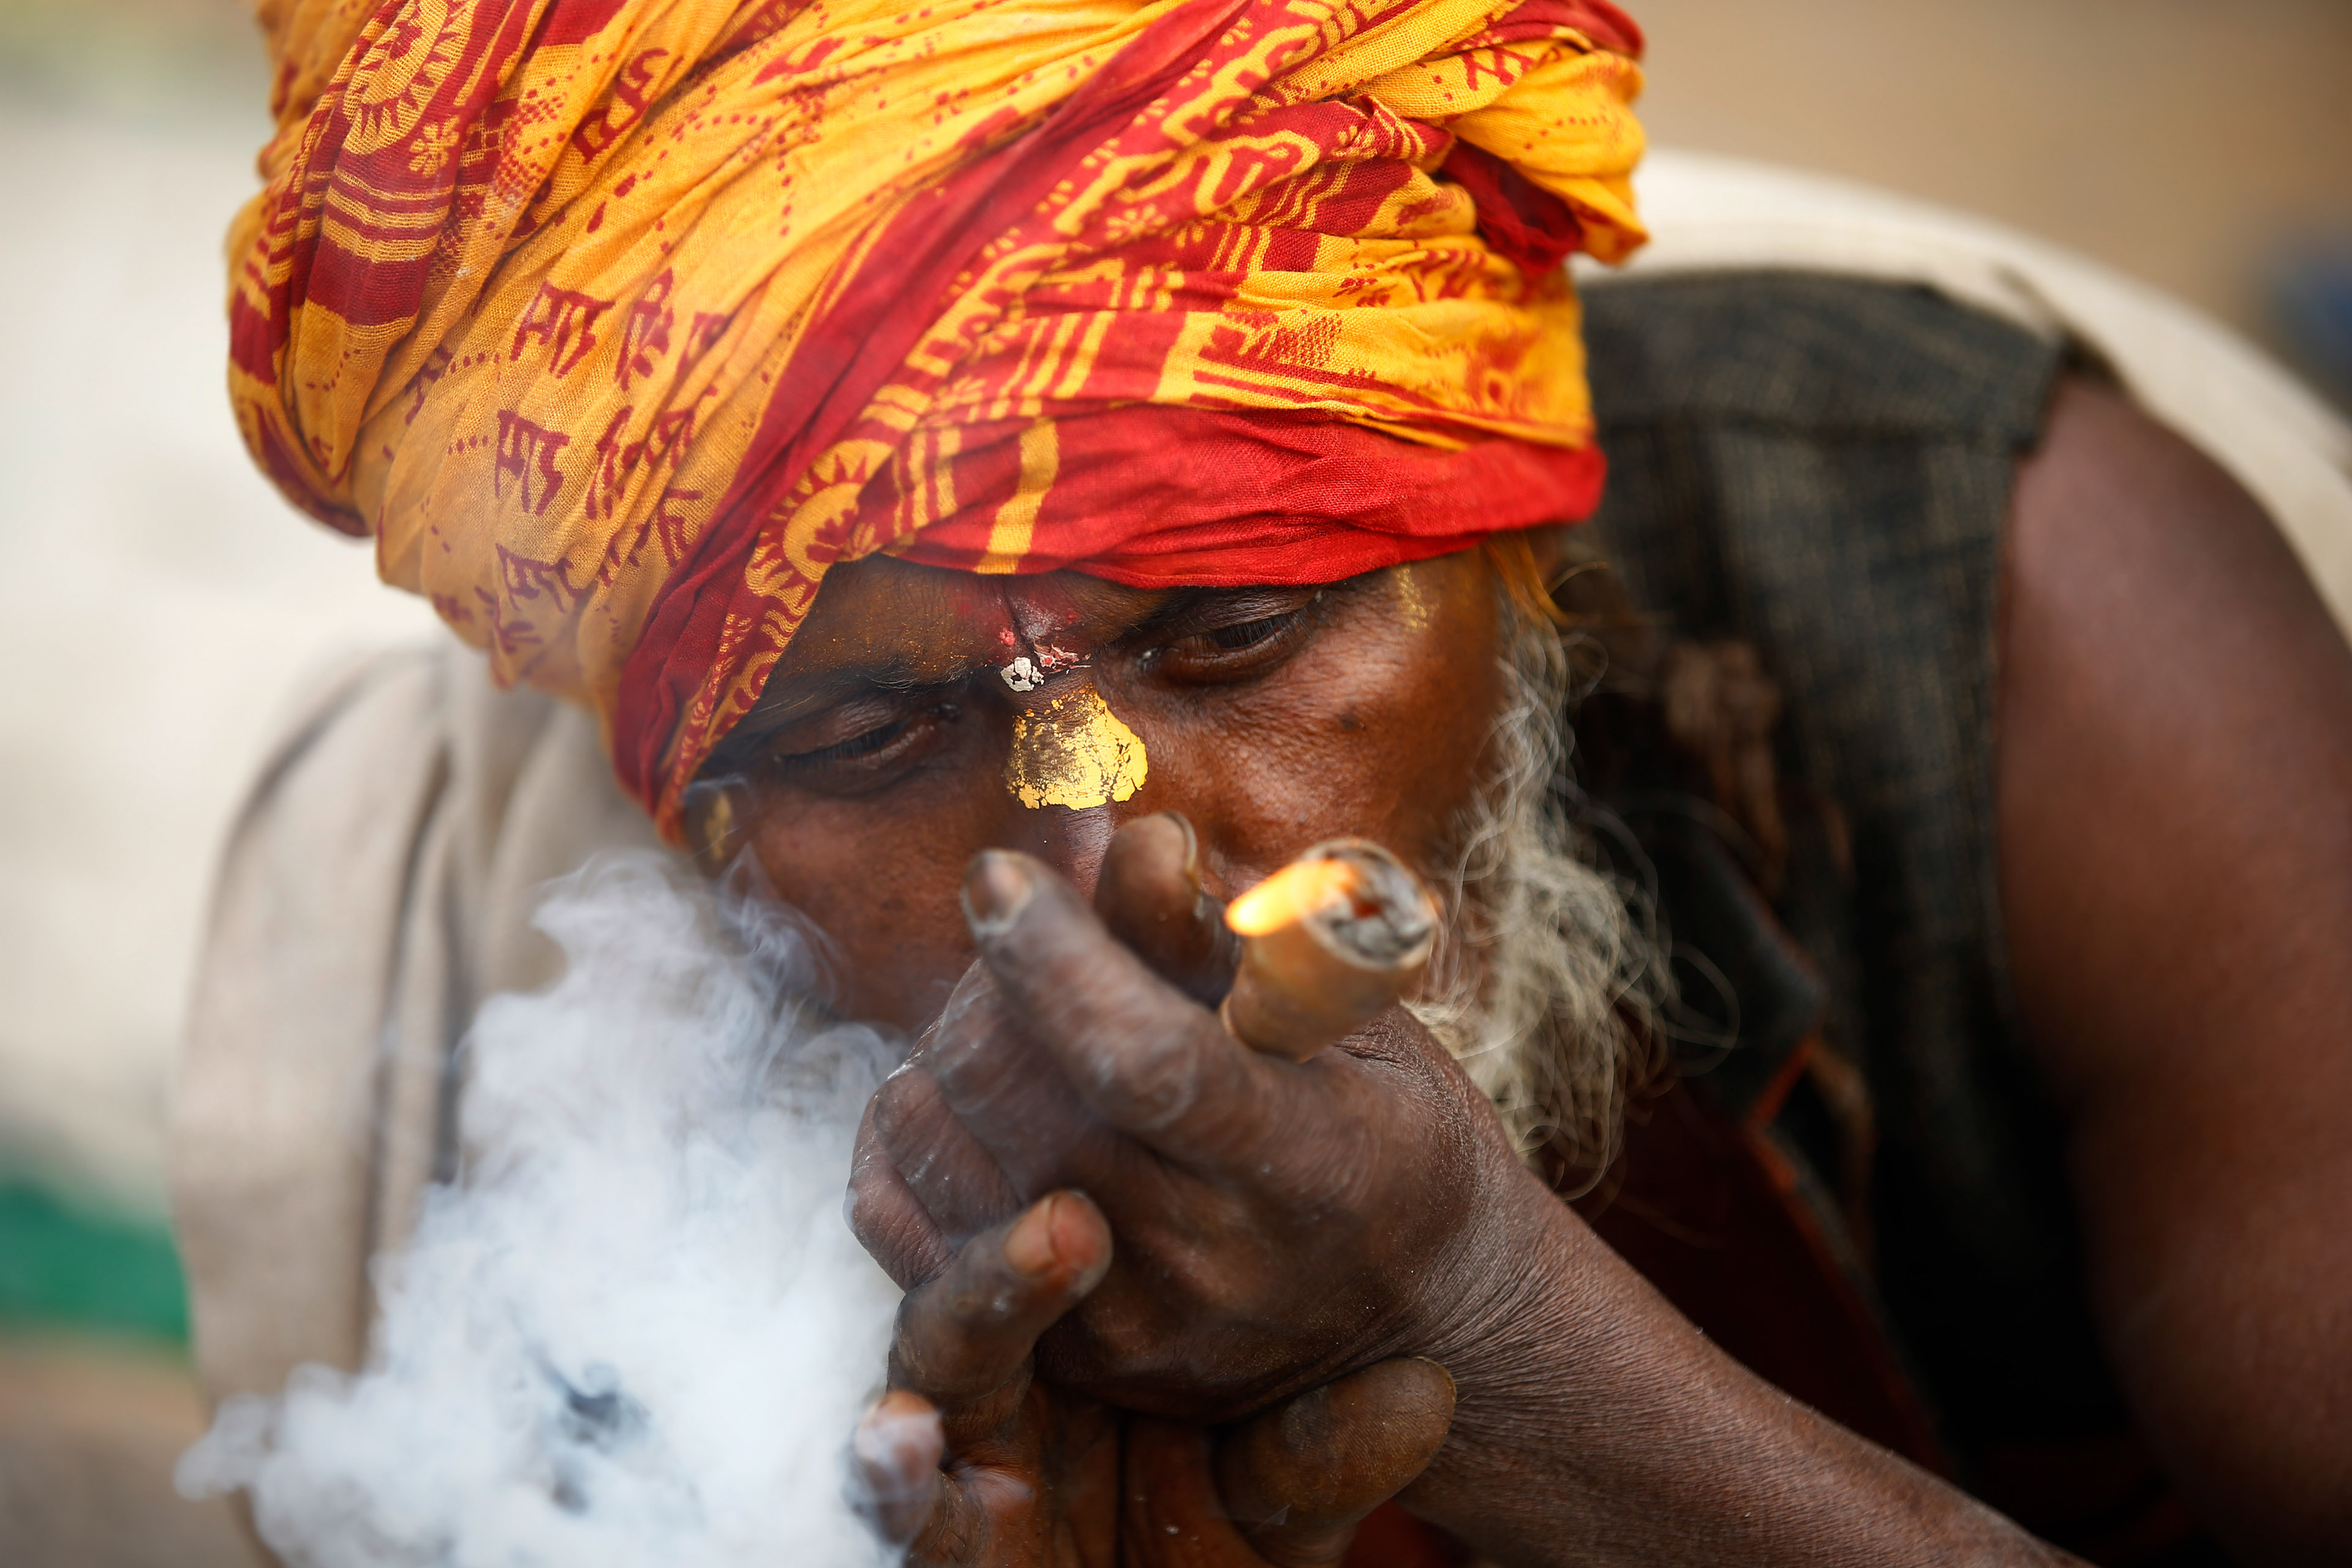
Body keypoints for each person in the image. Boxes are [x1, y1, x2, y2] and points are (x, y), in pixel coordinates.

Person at [178, 0, 2352, 1563]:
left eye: (1233, 637)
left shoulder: (2029, 603)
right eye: (865, 735)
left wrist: (1486, 1339)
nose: (1115, 846)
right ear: (690, 800)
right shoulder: (469, 947)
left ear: (1513, 551)